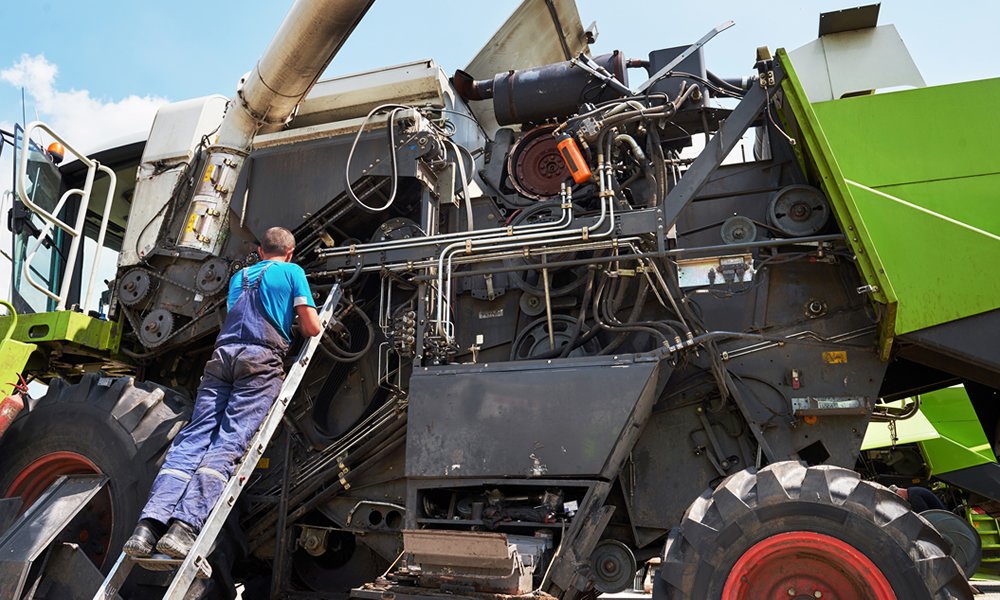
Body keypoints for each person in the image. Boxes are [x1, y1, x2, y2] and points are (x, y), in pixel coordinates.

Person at [124, 227, 323, 559]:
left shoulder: (240, 277)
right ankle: (183, 528)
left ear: (260, 251)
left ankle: (148, 527)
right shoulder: (292, 272)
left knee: (194, 438)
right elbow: (311, 328)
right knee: (229, 441)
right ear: (289, 253)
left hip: (222, 358)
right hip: (259, 362)